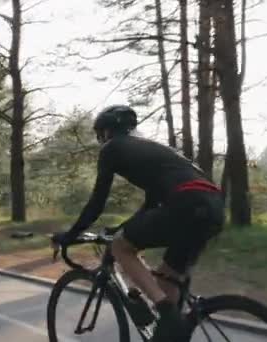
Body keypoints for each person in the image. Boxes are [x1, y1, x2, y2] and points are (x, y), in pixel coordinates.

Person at [51, 105, 225, 341]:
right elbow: (151, 206)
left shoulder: (112, 148)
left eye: (99, 135)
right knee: (166, 280)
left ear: (106, 132)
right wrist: (121, 228)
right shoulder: (154, 150)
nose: (100, 140)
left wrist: (71, 234)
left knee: (120, 247)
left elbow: (97, 202)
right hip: (212, 206)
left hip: (186, 202)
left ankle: (167, 313)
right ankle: (171, 327)